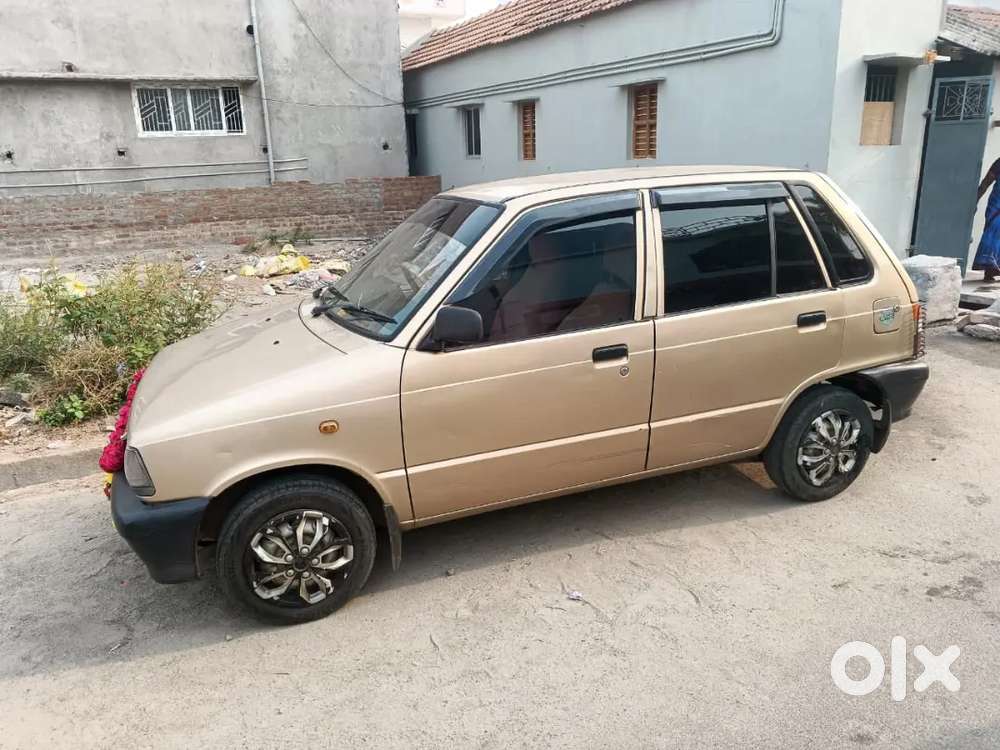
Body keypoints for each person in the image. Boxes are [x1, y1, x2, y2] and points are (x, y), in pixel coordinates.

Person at [974, 157, 1000, 282]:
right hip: (997, 205)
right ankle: (989, 270)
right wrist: (975, 200)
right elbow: (985, 183)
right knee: (992, 233)